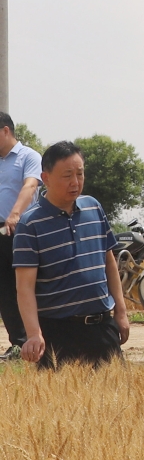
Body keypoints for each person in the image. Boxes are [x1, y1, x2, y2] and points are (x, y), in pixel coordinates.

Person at [13, 141, 130, 368]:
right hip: (58, 334)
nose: (75, 182)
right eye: (67, 175)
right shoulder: (30, 224)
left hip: (102, 327)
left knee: (117, 389)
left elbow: (109, 262)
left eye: (80, 174)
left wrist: (121, 311)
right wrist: (34, 333)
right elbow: (24, 287)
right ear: (45, 178)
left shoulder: (94, 208)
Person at [0, 112, 40, 360]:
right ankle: (18, 344)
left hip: (22, 229)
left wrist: (15, 214)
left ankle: (41, 338)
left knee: (27, 285)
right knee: (4, 288)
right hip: (0, 232)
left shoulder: (29, 156)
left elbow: (31, 185)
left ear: (5, 130)